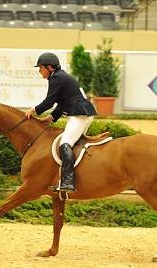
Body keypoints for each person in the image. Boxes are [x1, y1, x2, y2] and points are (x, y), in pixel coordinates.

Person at [25, 52, 97, 193]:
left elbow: (49, 101)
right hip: (81, 113)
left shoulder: (56, 78)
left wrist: (32, 110)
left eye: (40, 67)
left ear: (50, 67)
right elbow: (63, 103)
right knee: (73, 144)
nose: (39, 71)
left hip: (80, 114)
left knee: (65, 143)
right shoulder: (60, 76)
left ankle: (68, 182)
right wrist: (51, 118)